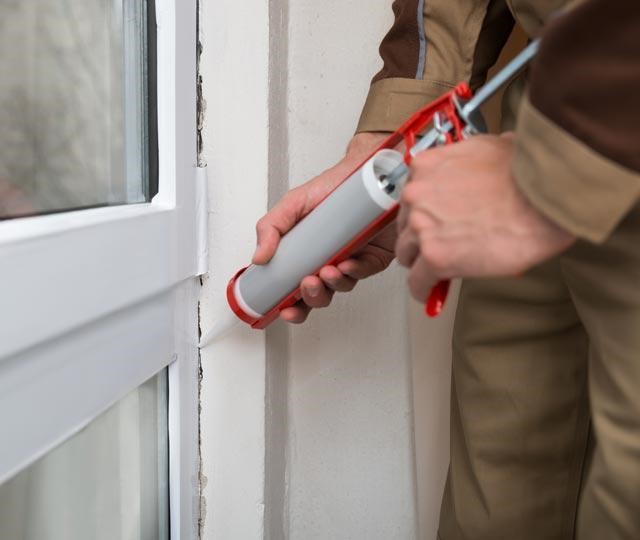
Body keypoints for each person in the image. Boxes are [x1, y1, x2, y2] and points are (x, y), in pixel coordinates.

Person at [253, 0, 640, 537]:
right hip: (544, 116)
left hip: (605, 131)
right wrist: (394, 138)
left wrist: (561, 169)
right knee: (499, 486)